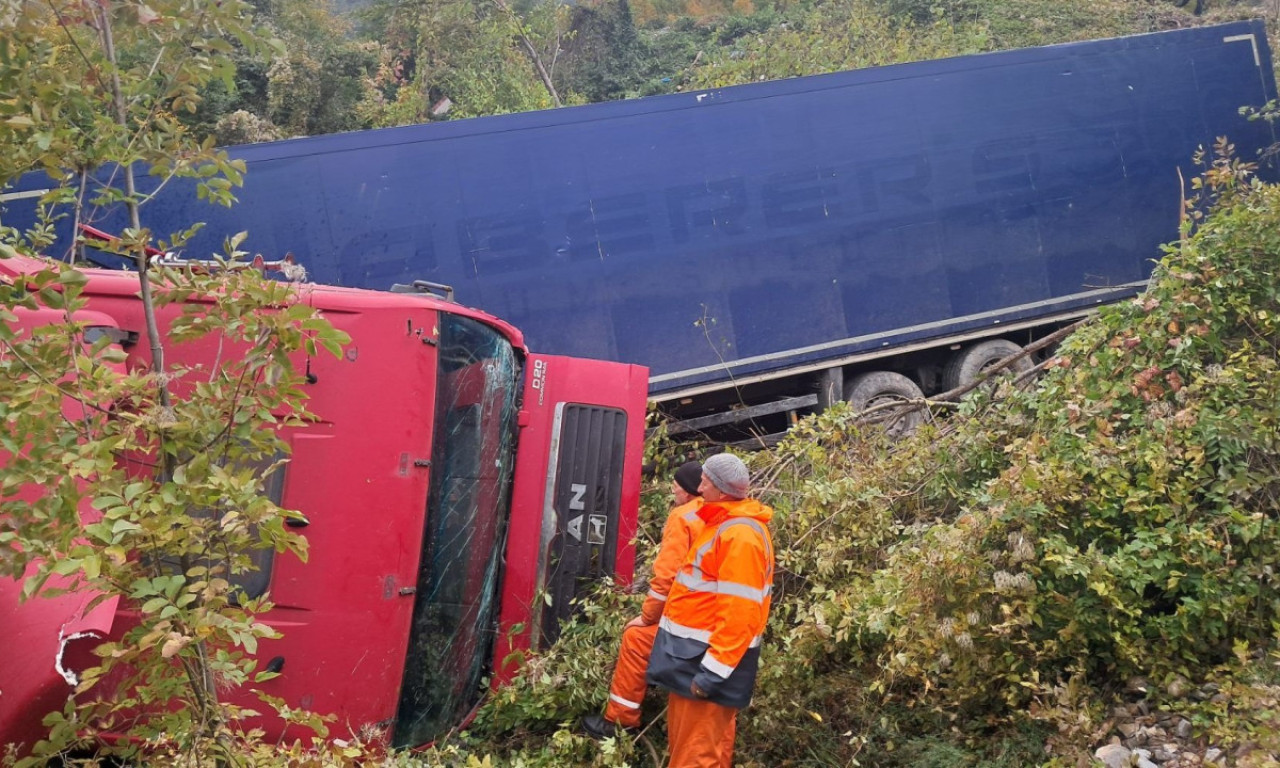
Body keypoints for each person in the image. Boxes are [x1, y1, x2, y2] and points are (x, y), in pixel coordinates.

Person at [645, 453, 774, 768]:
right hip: (693, 661)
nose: (699, 488)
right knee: (700, 751)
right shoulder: (722, 525)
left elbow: (740, 615)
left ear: (721, 490)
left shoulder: (739, 536)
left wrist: (711, 675)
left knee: (694, 757)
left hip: (704, 666)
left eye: (705, 481)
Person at [581, 460, 707, 739]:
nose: (672, 488)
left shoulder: (683, 517)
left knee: (636, 639)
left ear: (688, 490)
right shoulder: (721, 515)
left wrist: (647, 617)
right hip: (716, 619)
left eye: (676, 484)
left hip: (692, 622)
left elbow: (666, 577)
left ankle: (620, 721)